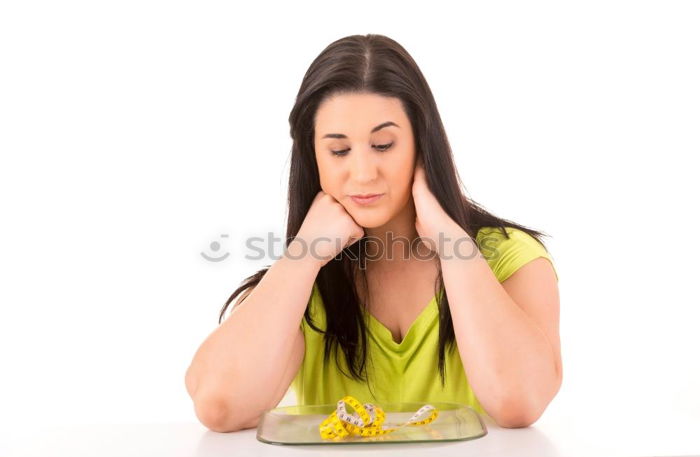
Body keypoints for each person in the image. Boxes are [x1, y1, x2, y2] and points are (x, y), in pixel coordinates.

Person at [185, 34, 561, 433]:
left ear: (422, 144)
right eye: (339, 151)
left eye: (383, 145)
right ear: (313, 159)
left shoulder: (512, 260)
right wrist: (304, 255)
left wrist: (452, 246)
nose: (363, 173)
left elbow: (519, 402)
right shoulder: (301, 283)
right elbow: (219, 406)